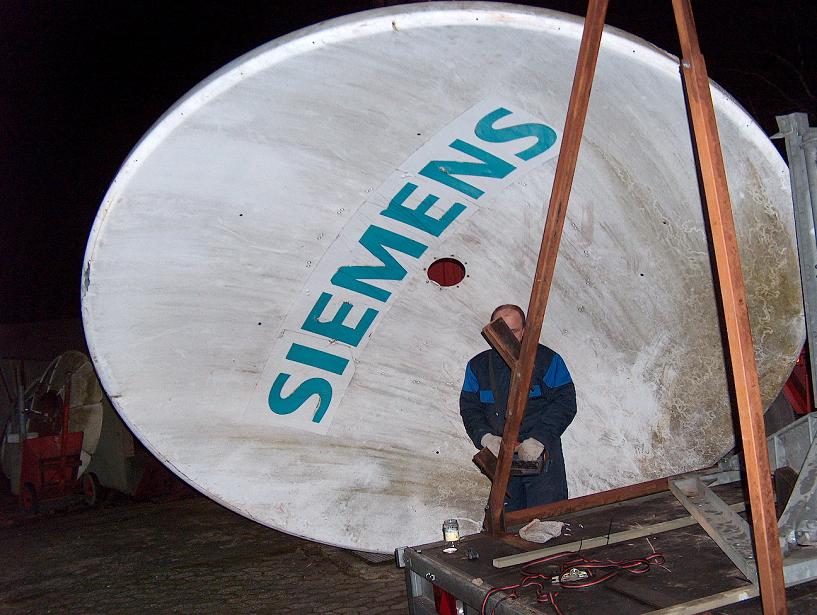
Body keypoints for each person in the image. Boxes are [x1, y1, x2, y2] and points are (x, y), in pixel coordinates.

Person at [459, 304, 576, 512]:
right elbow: (469, 408)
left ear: (524, 330)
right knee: (505, 522)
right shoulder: (477, 366)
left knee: (546, 520)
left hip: (542, 460)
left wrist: (539, 439)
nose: (506, 337)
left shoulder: (547, 360)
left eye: (513, 331)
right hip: (502, 463)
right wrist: (486, 438)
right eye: (500, 330)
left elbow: (565, 402)